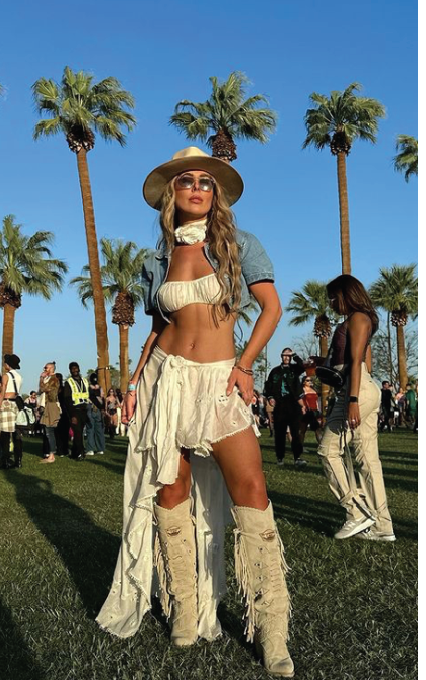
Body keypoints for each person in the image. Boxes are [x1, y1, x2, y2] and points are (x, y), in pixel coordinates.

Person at [95, 147, 292, 677]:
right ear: (172, 194)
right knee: (170, 493)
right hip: (166, 381)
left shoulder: (238, 245)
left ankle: (272, 630)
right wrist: (136, 383)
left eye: (207, 181)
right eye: (187, 181)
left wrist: (246, 365)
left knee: (252, 496)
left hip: (219, 380)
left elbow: (271, 307)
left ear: (216, 193)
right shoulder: (154, 259)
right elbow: (160, 327)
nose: (198, 188)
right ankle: (185, 608)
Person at [317, 274, 396, 542]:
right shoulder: (355, 319)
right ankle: (383, 527)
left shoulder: (359, 318)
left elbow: (356, 359)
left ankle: (355, 512)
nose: (330, 304)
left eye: (332, 298)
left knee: (328, 450)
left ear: (344, 294)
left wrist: (351, 401)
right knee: (367, 459)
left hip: (357, 391)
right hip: (355, 388)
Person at [263, 348, 306, 466]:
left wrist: (295, 355)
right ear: (281, 356)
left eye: (289, 355)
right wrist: (271, 397)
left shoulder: (294, 369)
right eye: (284, 355)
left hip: (293, 403)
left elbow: (302, 366)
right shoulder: (275, 371)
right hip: (280, 403)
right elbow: (268, 385)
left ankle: (297, 458)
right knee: (280, 433)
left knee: (295, 432)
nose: (286, 357)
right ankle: (280, 458)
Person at [0, 354, 24, 469]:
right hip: (15, 404)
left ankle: (5, 461)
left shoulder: (6, 376)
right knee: (16, 434)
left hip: (6, 404)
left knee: (5, 435)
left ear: (8, 364)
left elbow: (2, 392)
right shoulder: (19, 377)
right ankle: (18, 460)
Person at [65, 362, 91, 460]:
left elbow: (89, 395)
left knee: (79, 433)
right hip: (74, 410)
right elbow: (67, 400)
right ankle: (81, 453)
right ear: (70, 370)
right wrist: (72, 415)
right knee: (77, 432)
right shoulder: (69, 382)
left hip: (84, 410)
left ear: (79, 369)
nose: (75, 370)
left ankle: (75, 452)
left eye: (76, 368)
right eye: (73, 369)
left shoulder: (85, 381)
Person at [38, 363, 61, 463]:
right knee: (47, 432)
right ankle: (50, 454)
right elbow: (41, 390)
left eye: (46, 367)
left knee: (49, 431)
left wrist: (41, 378)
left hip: (51, 405)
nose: (44, 369)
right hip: (46, 405)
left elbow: (43, 389)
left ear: (51, 368)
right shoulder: (48, 379)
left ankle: (52, 455)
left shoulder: (54, 379)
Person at [85, 372, 107, 455]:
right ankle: (100, 449)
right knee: (99, 430)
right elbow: (103, 398)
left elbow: (90, 397)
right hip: (99, 410)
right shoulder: (100, 388)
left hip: (91, 408)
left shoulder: (88, 388)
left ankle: (90, 449)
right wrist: (103, 409)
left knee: (90, 429)